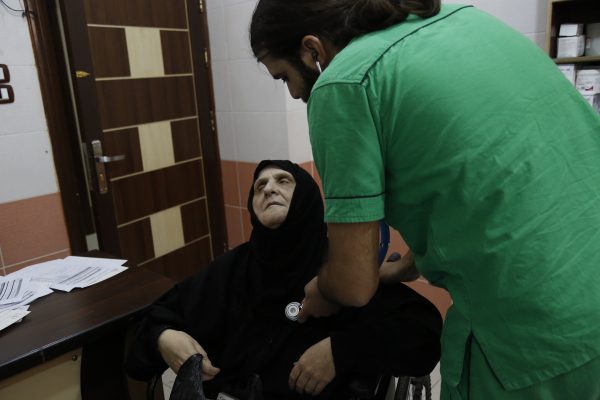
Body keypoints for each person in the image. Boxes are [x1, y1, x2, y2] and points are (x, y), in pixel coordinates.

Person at [249, 1, 600, 399]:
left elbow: (352, 285)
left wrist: (325, 291)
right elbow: (490, 178)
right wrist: (405, 268)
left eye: (283, 77)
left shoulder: (344, 84)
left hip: (532, 330)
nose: (295, 93)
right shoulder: (463, 20)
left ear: (312, 49)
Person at [125, 160, 442, 399]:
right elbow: (152, 323)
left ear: (306, 197)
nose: (268, 188)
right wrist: (163, 338)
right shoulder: (232, 268)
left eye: (283, 181)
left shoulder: (339, 271)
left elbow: (424, 331)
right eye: (259, 186)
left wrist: (341, 350)